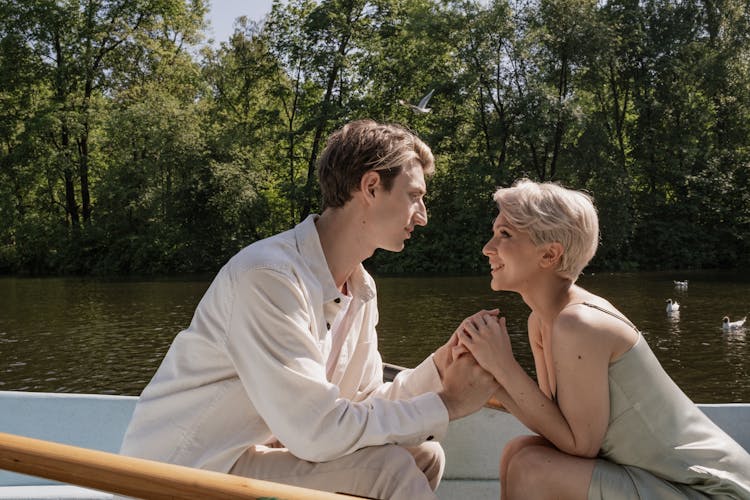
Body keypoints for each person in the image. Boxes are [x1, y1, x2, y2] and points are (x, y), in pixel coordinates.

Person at [119, 119, 498, 500]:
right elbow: (316, 432)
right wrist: (447, 404)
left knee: (424, 456)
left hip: (249, 452)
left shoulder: (360, 288)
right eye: (414, 195)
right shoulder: (269, 276)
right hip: (183, 471)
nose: (423, 215)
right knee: (390, 471)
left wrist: (439, 369)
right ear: (370, 187)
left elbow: (362, 402)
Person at [455, 179, 750, 499]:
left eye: (505, 234)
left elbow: (580, 445)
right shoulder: (541, 321)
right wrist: (493, 373)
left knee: (531, 468)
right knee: (519, 452)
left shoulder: (578, 323)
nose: (488, 247)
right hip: (662, 482)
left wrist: (503, 365)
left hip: (715, 493)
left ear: (549, 254)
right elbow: (555, 424)